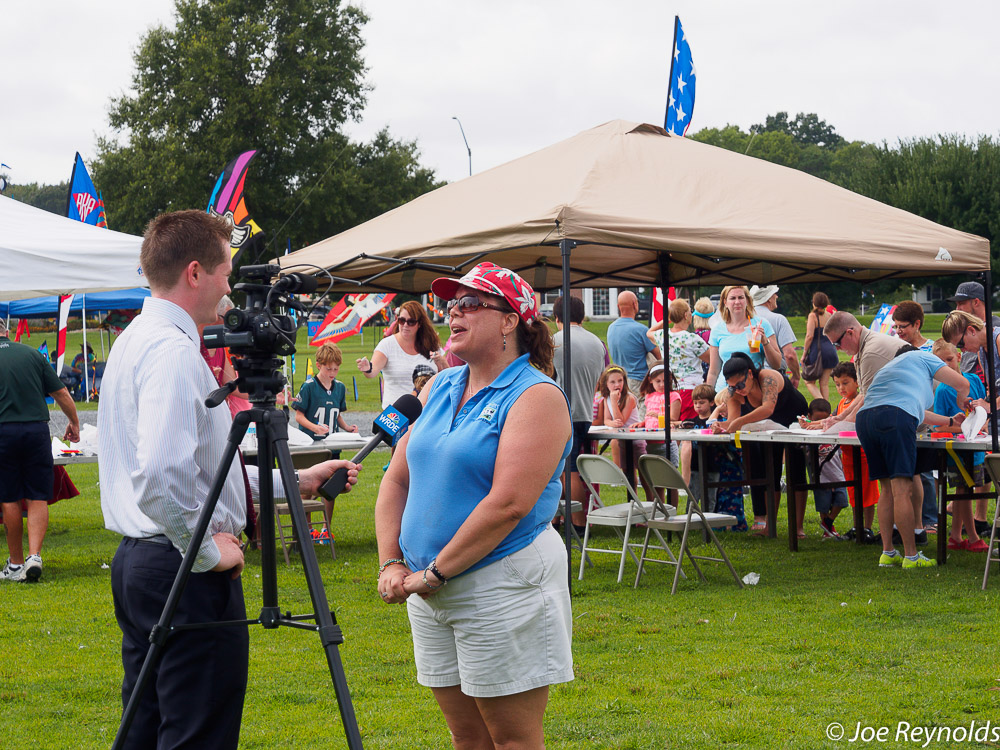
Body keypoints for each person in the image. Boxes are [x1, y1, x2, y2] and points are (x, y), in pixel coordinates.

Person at [97, 210, 360, 750]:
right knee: (198, 734)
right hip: (181, 570)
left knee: (145, 726)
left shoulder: (136, 338)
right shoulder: (173, 353)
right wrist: (208, 555)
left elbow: (203, 469)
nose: (232, 290)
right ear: (195, 273)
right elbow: (160, 478)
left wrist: (299, 480)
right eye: (227, 272)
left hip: (145, 564)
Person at [374, 261, 573, 749]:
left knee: (512, 740)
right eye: (449, 304)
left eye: (469, 304)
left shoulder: (537, 397)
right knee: (467, 737)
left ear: (510, 320)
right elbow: (397, 478)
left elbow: (507, 504)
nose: (452, 313)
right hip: (427, 588)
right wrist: (392, 562)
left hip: (500, 582)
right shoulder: (440, 385)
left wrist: (434, 574)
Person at [856, 345, 969, 569]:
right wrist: (962, 402)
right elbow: (962, 383)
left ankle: (888, 552)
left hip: (866, 419)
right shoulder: (923, 357)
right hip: (895, 417)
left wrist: (949, 422)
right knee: (902, 489)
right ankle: (911, 556)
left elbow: (915, 410)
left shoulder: (891, 371)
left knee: (886, 489)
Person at [0, 320, 80, 582]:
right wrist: (74, 424)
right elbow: (62, 393)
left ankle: (15, 563)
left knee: (10, 497)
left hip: (3, 431)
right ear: (7, 332)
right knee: (37, 495)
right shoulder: (32, 354)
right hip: (36, 430)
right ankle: (34, 556)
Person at [714, 352, 809, 536]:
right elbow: (733, 422)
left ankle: (798, 528)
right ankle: (770, 526)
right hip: (769, 429)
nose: (738, 390)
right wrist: (721, 426)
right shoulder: (735, 394)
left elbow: (767, 408)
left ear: (750, 374)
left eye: (741, 384)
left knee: (796, 471)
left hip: (794, 419)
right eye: (732, 387)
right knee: (770, 473)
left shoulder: (768, 377)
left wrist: (738, 423)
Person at [552, 294, 607, 529]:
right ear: (582, 316)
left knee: (567, 469)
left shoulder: (555, 340)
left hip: (561, 412)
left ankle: (577, 522)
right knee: (573, 467)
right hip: (585, 412)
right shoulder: (597, 342)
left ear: (557, 317)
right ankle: (567, 519)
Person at [931, 338, 989, 552]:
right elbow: (939, 427)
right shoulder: (943, 391)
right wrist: (965, 428)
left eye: (949, 360)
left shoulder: (974, 380)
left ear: (959, 357)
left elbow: (984, 409)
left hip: (976, 449)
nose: (946, 366)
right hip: (955, 451)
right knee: (963, 491)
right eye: (940, 363)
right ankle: (973, 537)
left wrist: (982, 424)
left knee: (968, 490)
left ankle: (955, 536)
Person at [356, 300, 447, 409]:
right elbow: (372, 371)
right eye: (401, 320)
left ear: (420, 324)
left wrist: (442, 362)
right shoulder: (387, 344)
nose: (405, 325)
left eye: (411, 322)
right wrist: (367, 368)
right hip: (394, 414)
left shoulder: (431, 344)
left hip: (426, 412)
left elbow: (446, 376)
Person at [826, 362, 879, 543]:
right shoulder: (842, 403)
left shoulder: (863, 401)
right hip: (847, 457)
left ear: (858, 382)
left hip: (864, 455)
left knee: (868, 494)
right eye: (837, 384)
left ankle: (867, 528)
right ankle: (857, 526)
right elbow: (833, 422)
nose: (841, 388)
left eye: (845, 383)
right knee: (854, 494)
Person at [706, 285, 783, 393]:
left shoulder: (761, 324)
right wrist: (709, 396)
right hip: (724, 391)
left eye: (741, 297)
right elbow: (713, 371)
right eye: (732, 298)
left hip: (752, 390)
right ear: (725, 302)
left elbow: (776, 364)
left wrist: (765, 342)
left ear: (747, 300)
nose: (737, 302)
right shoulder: (717, 330)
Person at [648, 298, 709, 420]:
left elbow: (649, 332)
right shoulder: (692, 339)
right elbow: (711, 359)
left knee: (674, 426)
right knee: (689, 427)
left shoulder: (662, 335)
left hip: (671, 389)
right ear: (686, 315)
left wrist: (666, 320)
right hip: (691, 389)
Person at [293, 342, 359, 451]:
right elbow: (299, 416)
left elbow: (335, 415)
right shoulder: (309, 387)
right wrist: (315, 428)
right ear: (319, 365)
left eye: (336, 369)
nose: (332, 372)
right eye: (328, 369)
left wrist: (347, 427)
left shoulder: (340, 387)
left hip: (333, 444)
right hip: (312, 444)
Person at [607, 290, 660, 417]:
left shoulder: (611, 328)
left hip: (621, 380)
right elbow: (659, 355)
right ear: (635, 305)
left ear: (618, 307)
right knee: (642, 413)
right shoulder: (641, 330)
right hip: (639, 380)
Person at [199, 294, 252, 417]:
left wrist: (266, 392)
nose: (229, 326)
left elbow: (233, 384)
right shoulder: (194, 343)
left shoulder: (220, 347)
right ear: (214, 315)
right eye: (227, 319)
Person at [805, 398, 849, 540]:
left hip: (838, 474)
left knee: (842, 501)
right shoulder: (808, 434)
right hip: (821, 476)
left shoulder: (833, 431)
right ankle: (828, 529)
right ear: (809, 417)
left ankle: (828, 522)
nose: (822, 423)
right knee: (823, 505)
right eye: (818, 419)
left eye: (825, 419)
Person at [948, 280, 1000, 380]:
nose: (957, 309)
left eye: (961, 303)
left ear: (976, 302)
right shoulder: (967, 331)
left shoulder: (995, 330)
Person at [750, 284, 800, 387]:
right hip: (775, 377)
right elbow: (789, 354)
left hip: (751, 378)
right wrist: (796, 375)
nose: (777, 296)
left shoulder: (746, 319)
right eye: (774, 294)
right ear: (768, 299)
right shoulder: (779, 319)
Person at [800, 292, 839, 400]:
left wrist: (804, 354)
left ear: (814, 303)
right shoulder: (829, 315)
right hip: (830, 351)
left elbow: (809, 336)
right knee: (824, 383)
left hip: (817, 352)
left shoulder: (813, 316)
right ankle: (826, 409)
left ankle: (821, 403)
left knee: (809, 381)